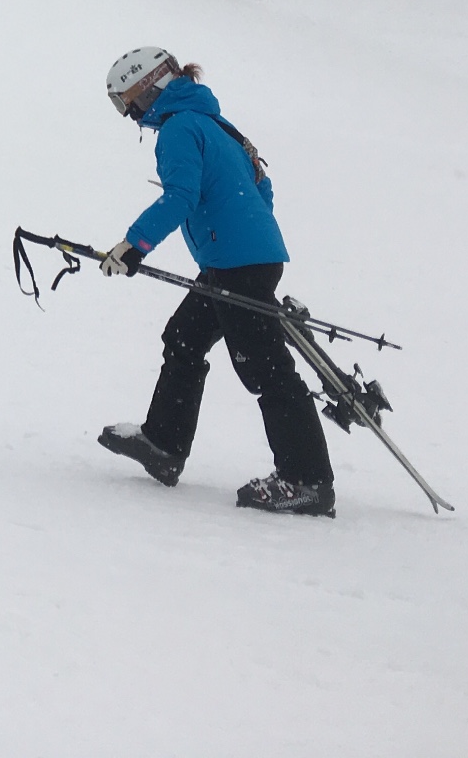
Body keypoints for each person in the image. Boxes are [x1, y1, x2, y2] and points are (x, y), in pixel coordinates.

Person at [94, 47, 336, 517]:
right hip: (243, 258)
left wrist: (133, 246)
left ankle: (307, 480)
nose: (131, 115)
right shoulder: (215, 123)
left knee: (266, 369)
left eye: (128, 102)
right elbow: (261, 184)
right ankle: (164, 445)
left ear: (149, 86)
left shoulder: (180, 128)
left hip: (237, 263)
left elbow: (182, 197)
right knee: (184, 337)